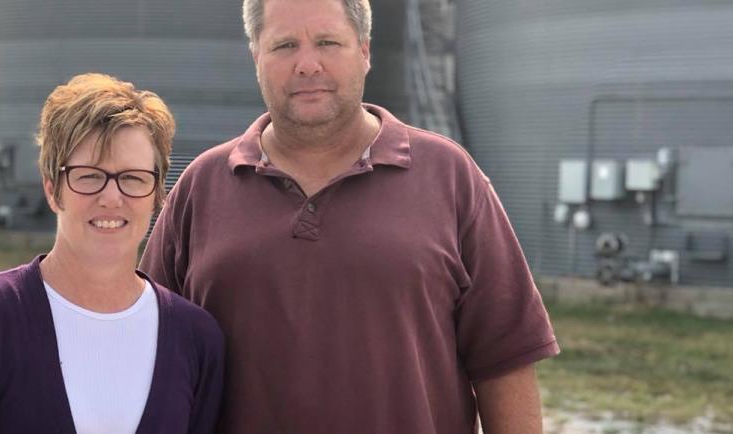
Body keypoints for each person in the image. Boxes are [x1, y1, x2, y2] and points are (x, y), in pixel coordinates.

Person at [141, 0, 559, 432]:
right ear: (256, 58)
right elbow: (150, 352)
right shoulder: (201, 186)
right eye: (284, 45)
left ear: (364, 51)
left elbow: (504, 359)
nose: (307, 64)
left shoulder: (449, 176)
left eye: (327, 42)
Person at [0, 73, 224, 434]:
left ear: (157, 195)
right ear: (52, 189)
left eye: (134, 178)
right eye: (90, 176)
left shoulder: (196, 339)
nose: (111, 197)